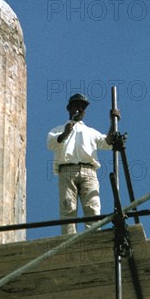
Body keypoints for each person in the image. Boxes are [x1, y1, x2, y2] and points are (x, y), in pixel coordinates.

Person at [47, 93, 119, 234]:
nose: (80, 109)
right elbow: (51, 144)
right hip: (66, 170)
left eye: (83, 107)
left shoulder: (90, 132)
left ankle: (92, 238)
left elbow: (108, 142)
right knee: (68, 207)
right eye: (77, 106)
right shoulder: (58, 130)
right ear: (69, 108)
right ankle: (68, 240)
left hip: (88, 171)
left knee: (92, 207)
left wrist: (113, 122)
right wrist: (65, 133)